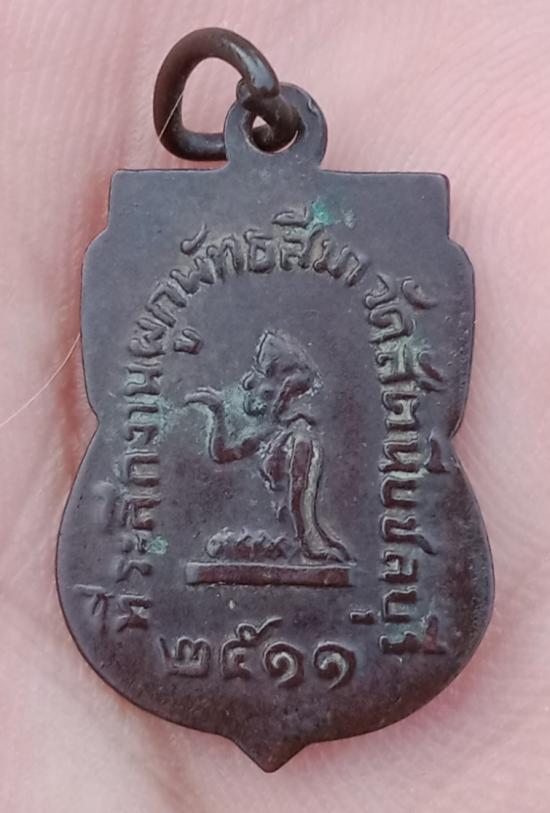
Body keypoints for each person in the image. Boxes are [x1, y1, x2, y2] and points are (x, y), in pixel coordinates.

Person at [184, 330, 349, 562]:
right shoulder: (270, 433)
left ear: (282, 389)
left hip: (291, 545)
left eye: (261, 374)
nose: (248, 383)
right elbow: (222, 454)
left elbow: (300, 504)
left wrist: (310, 546)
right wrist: (218, 412)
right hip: (275, 540)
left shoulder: (300, 440)